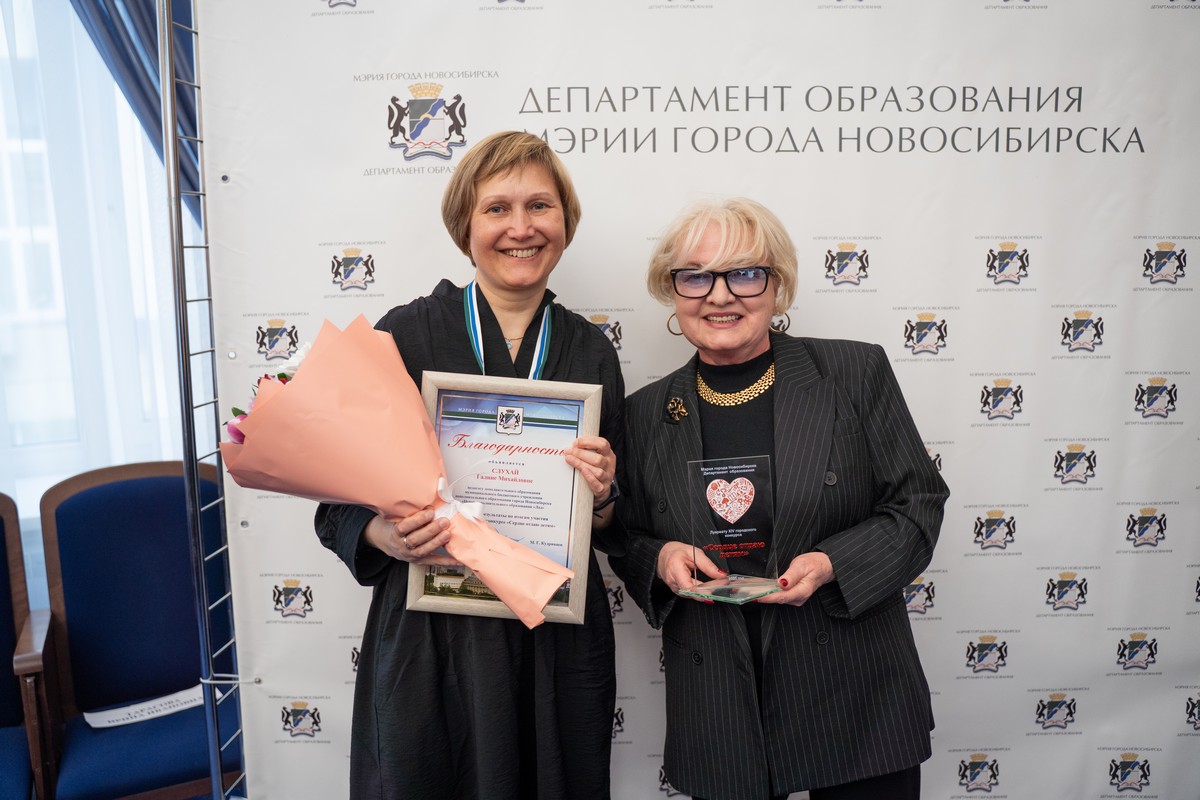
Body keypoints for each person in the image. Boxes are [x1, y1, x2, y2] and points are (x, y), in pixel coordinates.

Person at [315, 131, 624, 800]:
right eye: (497, 208)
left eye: (539, 206)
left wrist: (602, 497)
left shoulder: (592, 352)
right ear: (465, 225)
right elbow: (334, 502)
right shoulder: (405, 334)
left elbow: (615, 521)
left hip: (552, 638)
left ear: (565, 220)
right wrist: (382, 534)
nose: (521, 227)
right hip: (433, 639)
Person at [609, 198, 948, 800]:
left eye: (745, 273)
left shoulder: (854, 372)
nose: (720, 295)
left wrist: (831, 563)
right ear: (672, 291)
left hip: (854, 694)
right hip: (720, 704)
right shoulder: (643, 413)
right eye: (695, 276)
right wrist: (660, 559)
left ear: (778, 285)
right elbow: (625, 535)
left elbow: (917, 501)